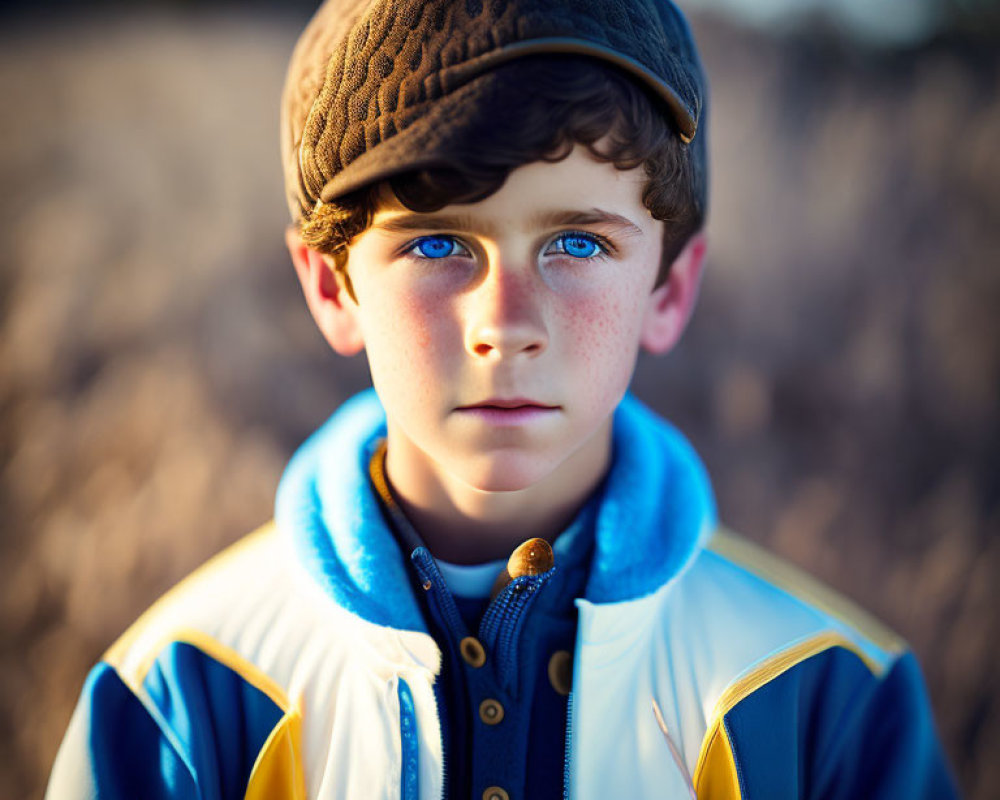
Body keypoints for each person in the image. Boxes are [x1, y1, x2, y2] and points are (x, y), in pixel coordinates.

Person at [46, 0, 960, 798]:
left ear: (670, 290)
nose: (506, 325)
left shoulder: (827, 699)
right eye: (439, 244)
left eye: (578, 244)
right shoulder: (179, 699)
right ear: (332, 288)